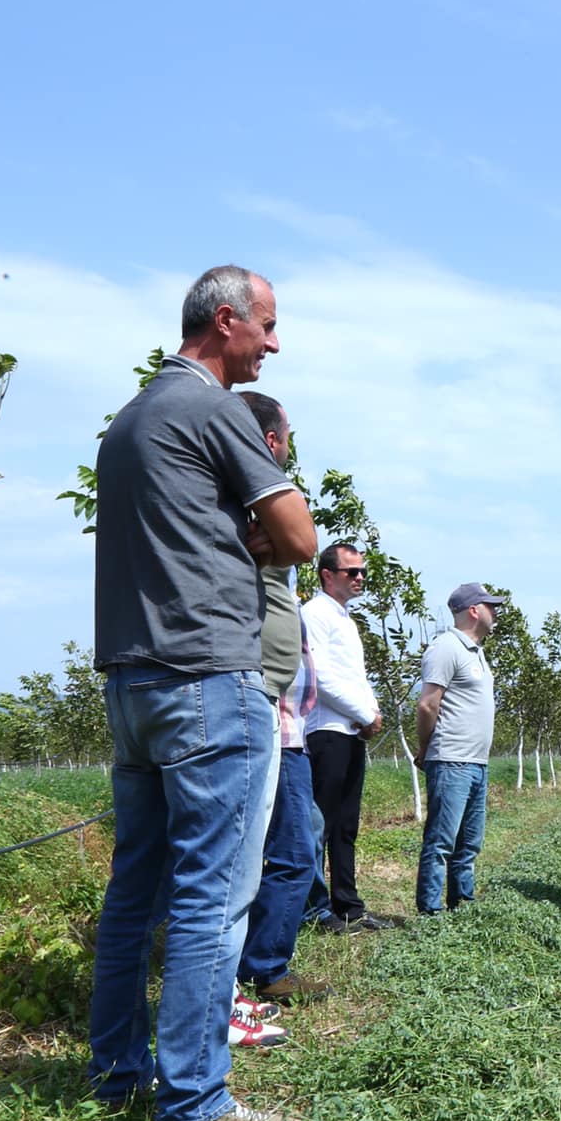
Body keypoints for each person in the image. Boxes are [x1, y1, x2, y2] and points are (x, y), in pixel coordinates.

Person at [89, 265, 317, 1121]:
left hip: (133, 681)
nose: (274, 343)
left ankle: (117, 1076)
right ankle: (192, 1110)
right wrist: (259, 536)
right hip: (208, 679)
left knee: (134, 893)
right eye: (267, 325)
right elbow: (299, 536)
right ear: (226, 321)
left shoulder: (129, 421)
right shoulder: (216, 409)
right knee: (211, 897)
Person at [233, 392, 328, 1025]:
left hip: (285, 716)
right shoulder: (252, 506)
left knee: (295, 844)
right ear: (270, 441)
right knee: (292, 851)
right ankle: (262, 968)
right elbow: (303, 539)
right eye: (287, 435)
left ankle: (257, 965)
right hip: (266, 714)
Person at [303, 541, 394, 932]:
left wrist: (371, 713)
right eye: (351, 572)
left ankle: (348, 907)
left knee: (345, 825)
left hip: (350, 733)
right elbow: (319, 676)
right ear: (327, 575)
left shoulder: (345, 619)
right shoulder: (314, 613)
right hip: (327, 731)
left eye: (362, 572)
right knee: (320, 825)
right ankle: (314, 909)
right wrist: (364, 714)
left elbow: (354, 677)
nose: (360, 578)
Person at [413, 582, 505, 917]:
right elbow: (428, 704)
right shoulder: (446, 648)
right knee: (442, 840)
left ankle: (462, 905)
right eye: (490, 606)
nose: (495, 612)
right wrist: (426, 747)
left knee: (468, 843)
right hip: (451, 759)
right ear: (473, 610)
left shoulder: (476, 651)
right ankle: (430, 911)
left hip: (476, 762)